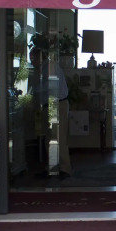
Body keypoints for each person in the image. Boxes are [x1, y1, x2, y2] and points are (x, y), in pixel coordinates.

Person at [29, 48, 71, 178]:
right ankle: (53, 167)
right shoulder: (45, 68)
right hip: (52, 105)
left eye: (33, 58)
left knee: (58, 138)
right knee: (50, 138)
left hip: (57, 104)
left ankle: (64, 169)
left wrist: (33, 90)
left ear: (39, 57)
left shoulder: (50, 67)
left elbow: (50, 85)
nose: (32, 61)